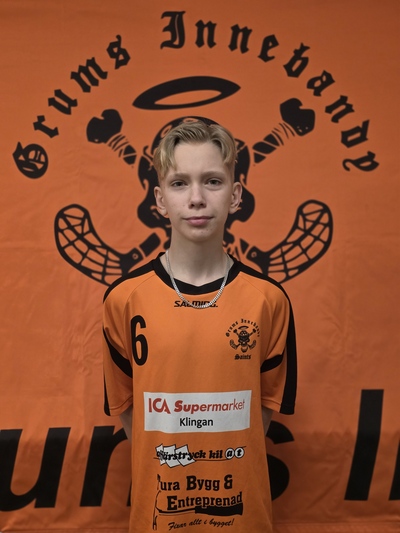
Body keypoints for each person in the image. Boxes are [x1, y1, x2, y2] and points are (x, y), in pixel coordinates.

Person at [102, 119, 297, 532]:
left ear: (235, 195)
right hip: (159, 517)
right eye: (179, 183)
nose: (196, 198)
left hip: (241, 517)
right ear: (160, 199)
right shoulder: (123, 299)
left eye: (212, 181)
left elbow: (260, 414)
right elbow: (129, 409)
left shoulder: (269, 301)